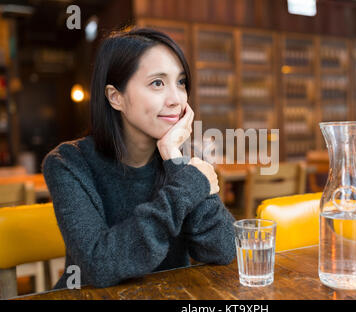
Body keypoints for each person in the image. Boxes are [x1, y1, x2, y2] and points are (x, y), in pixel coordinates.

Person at [42, 27, 236, 289]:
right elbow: (100, 266)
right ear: (116, 97)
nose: (176, 99)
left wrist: (174, 161)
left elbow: (224, 250)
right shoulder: (68, 163)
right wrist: (186, 185)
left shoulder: (182, 157)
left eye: (180, 82)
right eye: (157, 83)